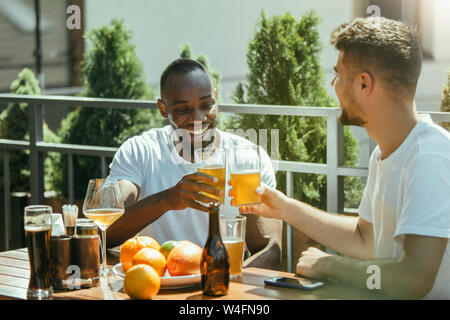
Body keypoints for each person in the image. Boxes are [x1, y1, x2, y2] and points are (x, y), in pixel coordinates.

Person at [234, 17, 450, 299]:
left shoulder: (430, 157)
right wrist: (285, 208)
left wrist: (329, 265)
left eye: (337, 75)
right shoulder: (385, 151)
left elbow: (414, 279)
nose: (332, 85)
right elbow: (365, 239)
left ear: (363, 84)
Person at [107, 58, 283, 270]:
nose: (198, 118)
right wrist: (168, 199)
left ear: (216, 98)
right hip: (158, 285)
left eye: (206, 105)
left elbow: (269, 250)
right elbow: (106, 230)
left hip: (223, 289)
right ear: (163, 109)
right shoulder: (141, 151)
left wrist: (224, 282)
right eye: (183, 110)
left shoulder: (244, 157)